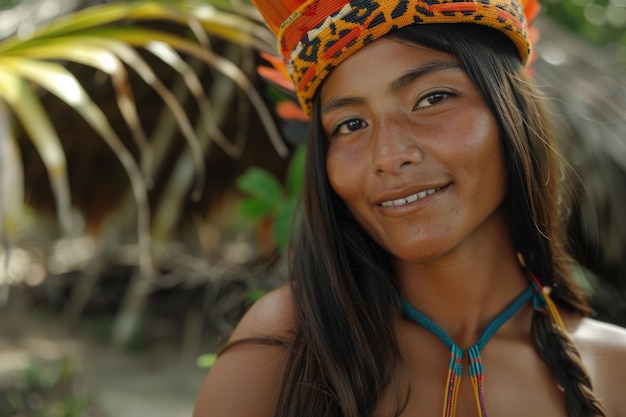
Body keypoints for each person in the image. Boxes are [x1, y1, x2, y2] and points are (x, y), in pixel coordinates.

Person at [193, 1, 626, 416]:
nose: (388, 154)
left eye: (433, 98)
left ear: (513, 111)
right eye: (351, 124)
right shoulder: (284, 346)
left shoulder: (615, 369)